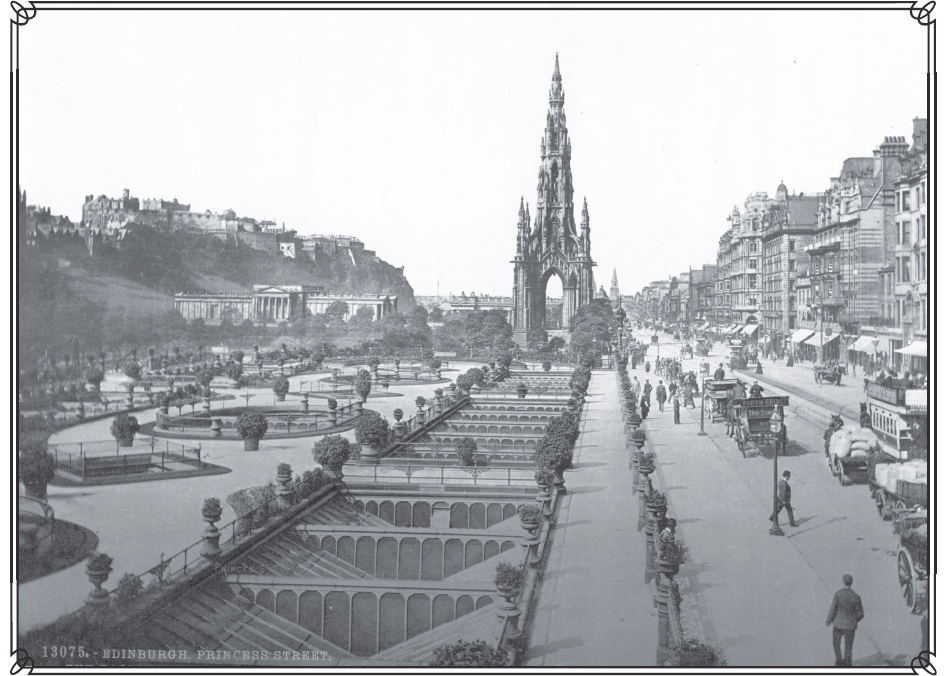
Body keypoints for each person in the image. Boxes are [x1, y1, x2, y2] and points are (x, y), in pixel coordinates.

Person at [826, 574, 864, 667]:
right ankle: (847, 664)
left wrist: (829, 620)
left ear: (843, 582)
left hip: (838, 625)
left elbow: (833, 609)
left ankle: (839, 662)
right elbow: (860, 614)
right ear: (851, 583)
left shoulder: (838, 594)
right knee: (848, 647)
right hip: (850, 626)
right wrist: (854, 621)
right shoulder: (856, 597)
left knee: (836, 643)